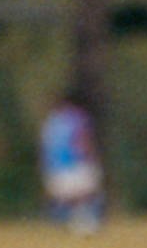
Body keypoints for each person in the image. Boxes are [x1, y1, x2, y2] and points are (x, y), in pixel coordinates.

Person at [40, 96, 103, 233]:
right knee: (91, 190)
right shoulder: (77, 118)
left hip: (54, 175)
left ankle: (68, 219)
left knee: (68, 199)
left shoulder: (49, 123)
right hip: (75, 170)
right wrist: (93, 159)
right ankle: (83, 219)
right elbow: (83, 142)